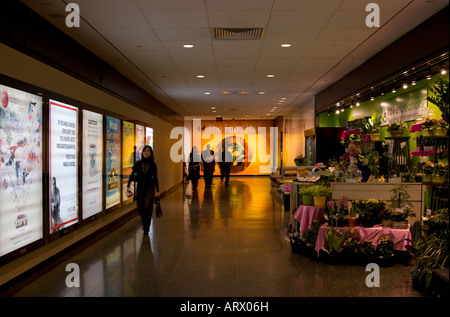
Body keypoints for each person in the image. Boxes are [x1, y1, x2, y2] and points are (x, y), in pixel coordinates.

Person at [127, 145, 160, 235]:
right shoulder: (138, 164)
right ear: (142, 153)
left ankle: (146, 227)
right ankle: (144, 220)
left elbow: (155, 178)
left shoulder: (153, 164)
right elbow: (132, 175)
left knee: (148, 206)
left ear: (151, 153)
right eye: (145, 151)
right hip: (140, 187)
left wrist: (157, 190)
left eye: (148, 151)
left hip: (150, 187)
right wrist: (129, 185)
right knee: (140, 206)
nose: (146, 152)